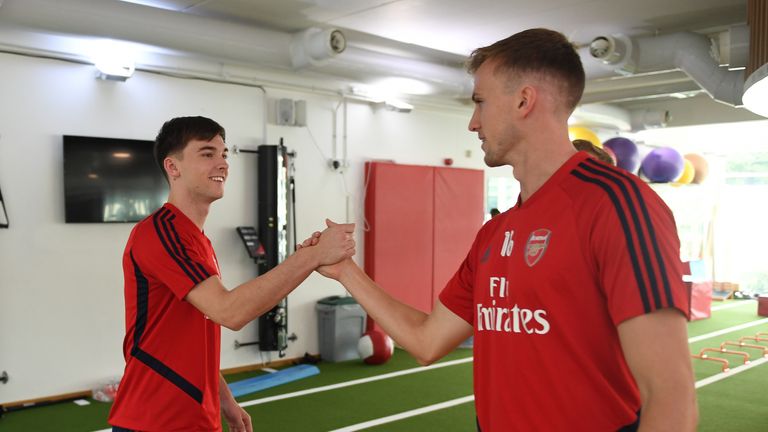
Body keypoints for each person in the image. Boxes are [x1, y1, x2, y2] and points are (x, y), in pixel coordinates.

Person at [304, 29, 697, 431]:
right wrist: (345, 271)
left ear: (524, 101)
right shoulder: (495, 234)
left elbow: (670, 396)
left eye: (480, 102)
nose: (473, 123)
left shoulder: (617, 204)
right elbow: (424, 340)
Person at [108, 116, 355, 432]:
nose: (222, 164)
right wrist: (312, 257)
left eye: (224, 154)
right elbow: (230, 311)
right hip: (155, 420)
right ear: (173, 167)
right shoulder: (160, 233)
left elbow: (194, 337)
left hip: (196, 418)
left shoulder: (196, 239)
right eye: (207, 154)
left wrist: (225, 400)